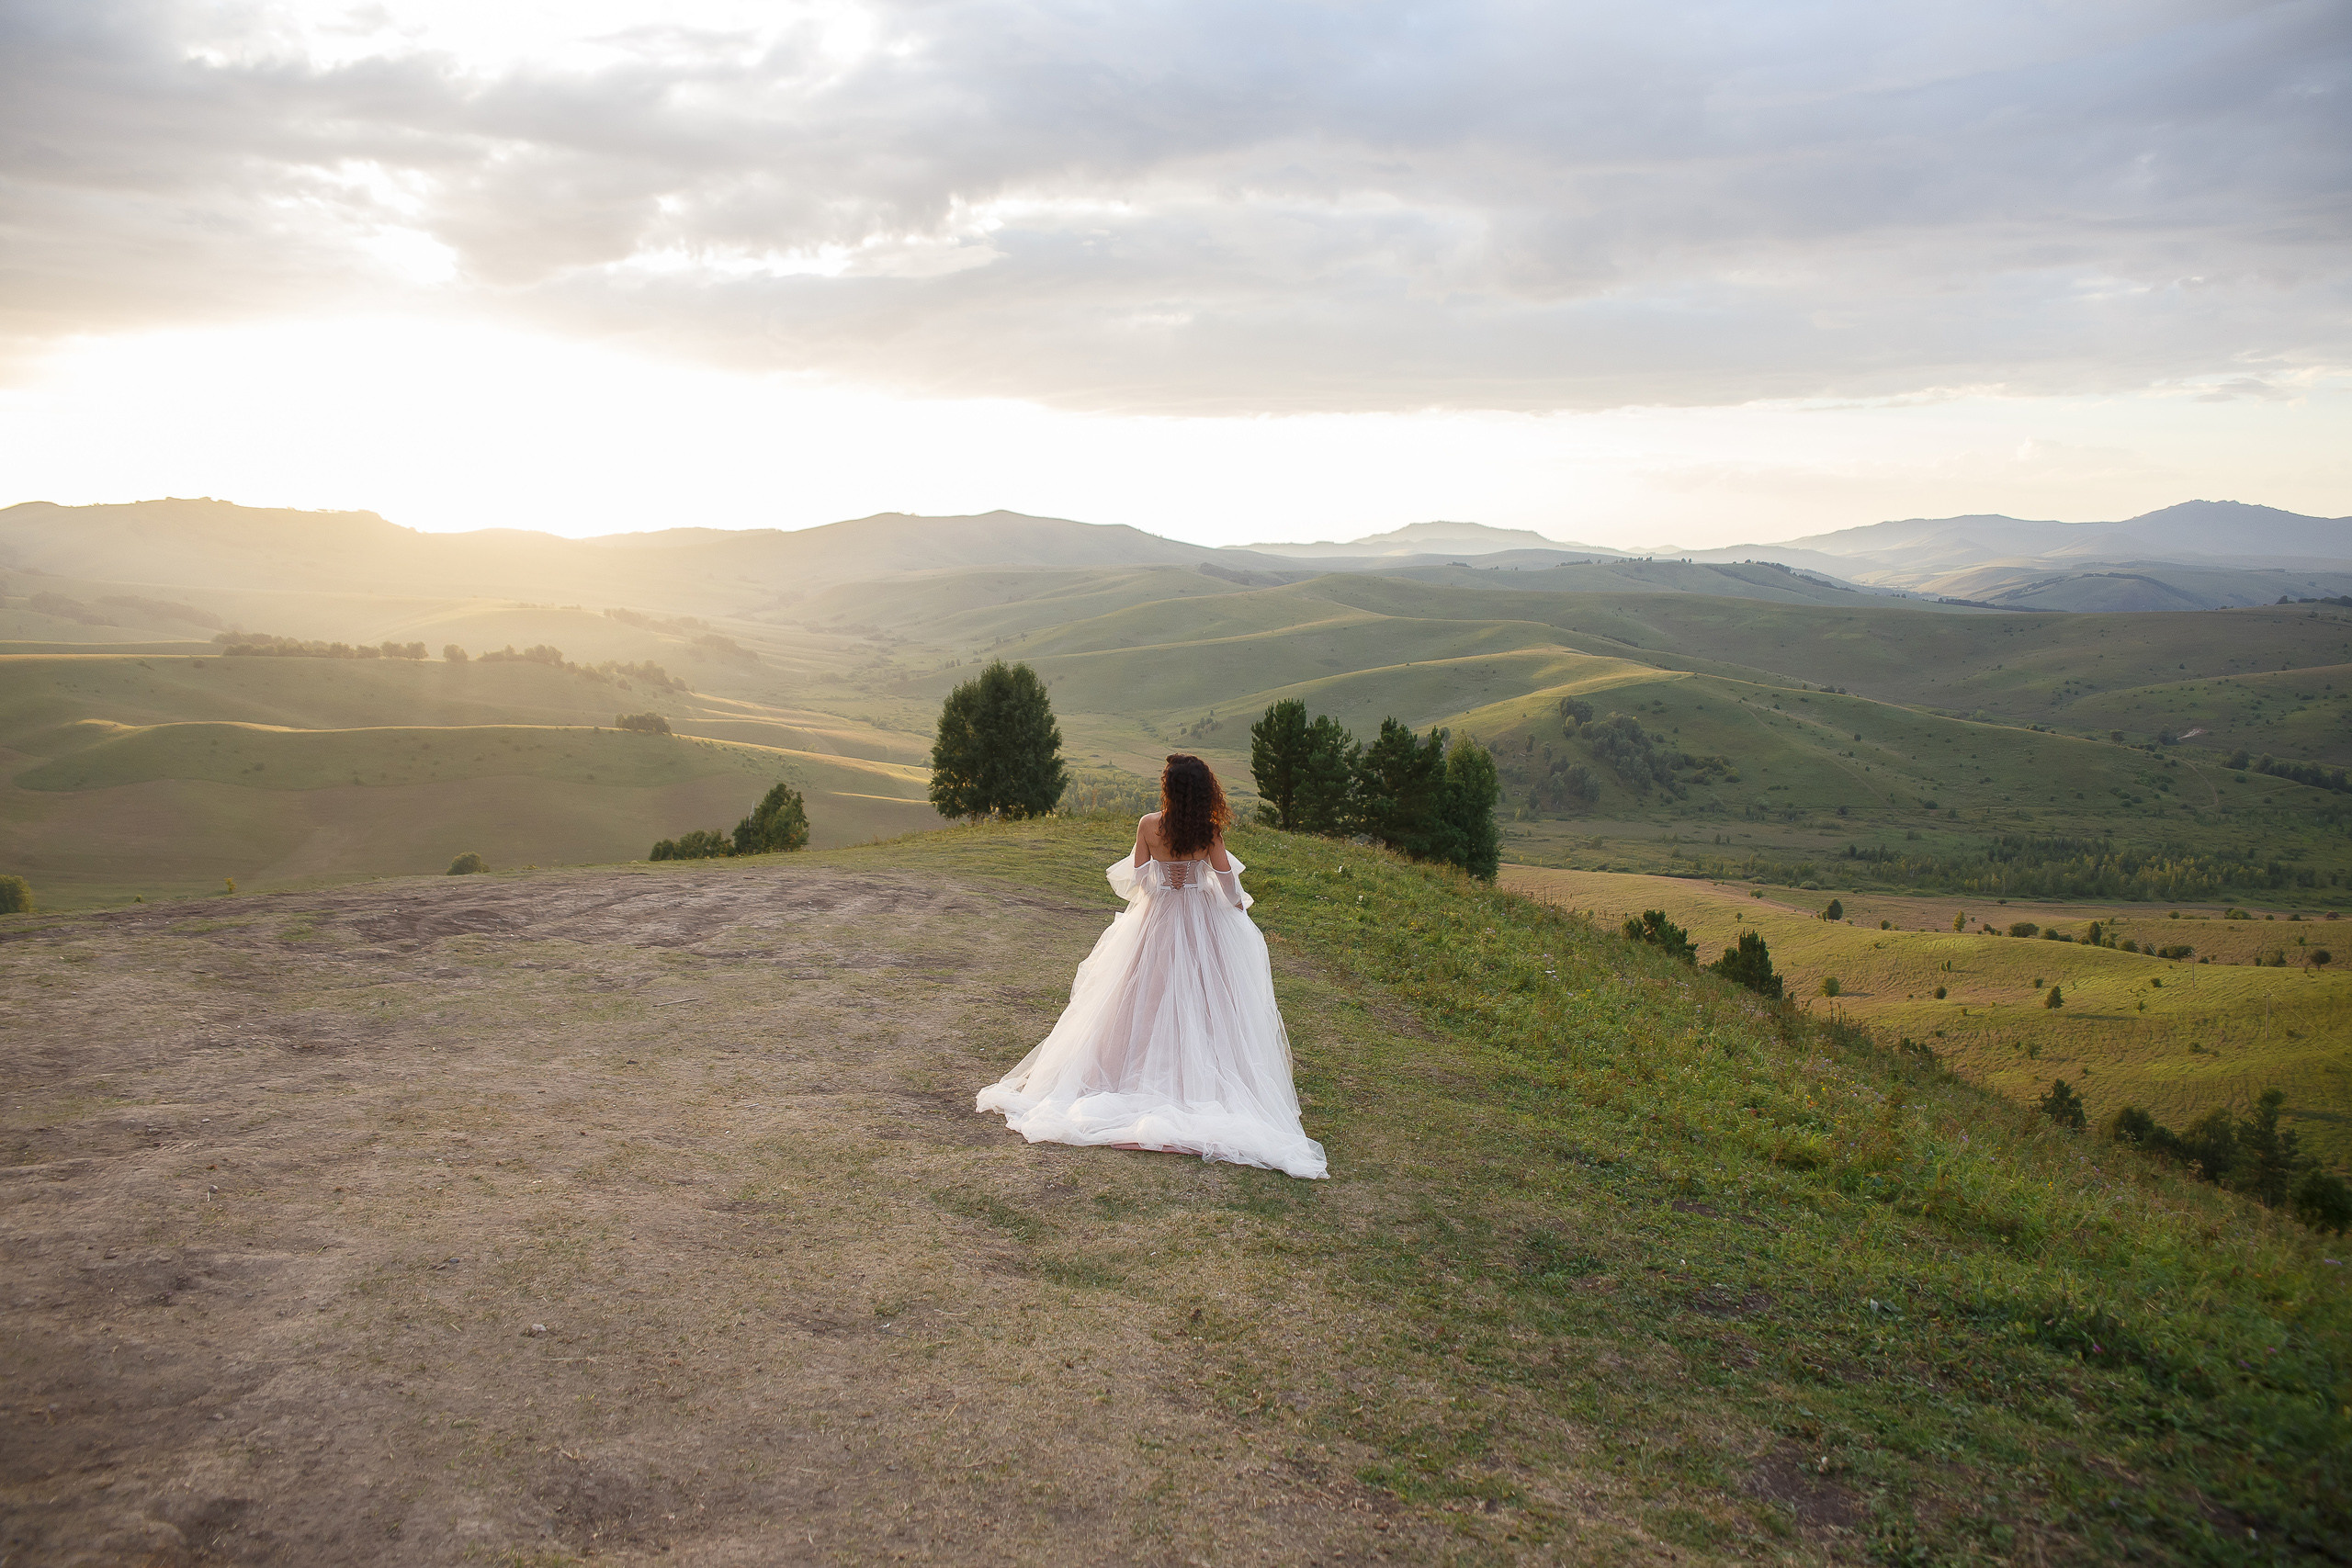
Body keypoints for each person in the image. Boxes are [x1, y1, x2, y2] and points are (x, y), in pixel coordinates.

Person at [976, 754, 1327, 1179]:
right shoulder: (1209, 829)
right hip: (1201, 919)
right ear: (1204, 790)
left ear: (1168, 788)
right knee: (1204, 995)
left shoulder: (1148, 825)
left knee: (1142, 994)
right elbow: (1228, 882)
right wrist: (1235, 908)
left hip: (1157, 918)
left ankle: (1129, 1072)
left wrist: (1166, 886)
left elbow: (1140, 880)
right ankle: (1195, 1075)